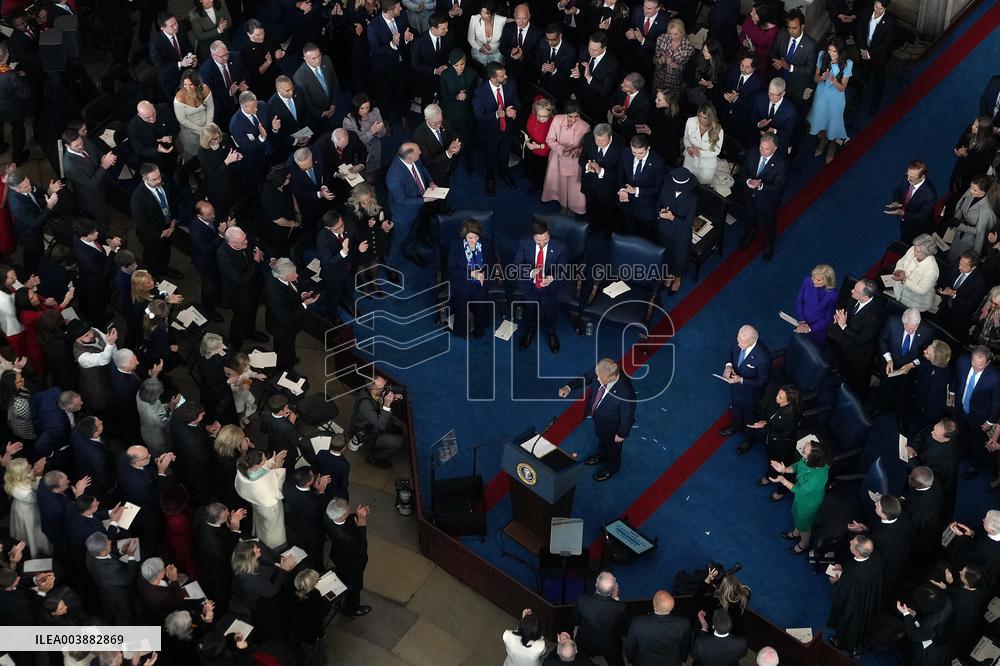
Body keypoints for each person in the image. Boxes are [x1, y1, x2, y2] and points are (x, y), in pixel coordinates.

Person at [558, 359, 636, 482]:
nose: (597, 380)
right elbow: (586, 378)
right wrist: (568, 387)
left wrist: (622, 433)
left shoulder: (626, 392)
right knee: (601, 437)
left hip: (613, 424)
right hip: (599, 416)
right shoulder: (601, 369)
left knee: (614, 446)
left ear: (612, 378)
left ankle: (612, 467)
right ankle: (602, 454)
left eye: (601, 379)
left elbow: (628, 415)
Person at [513, 220, 567, 353]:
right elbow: (517, 264)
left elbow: (563, 268)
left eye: (545, 240)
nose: (542, 244)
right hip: (530, 284)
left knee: (550, 311)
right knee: (531, 310)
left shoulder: (560, 245)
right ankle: (530, 331)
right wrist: (531, 272)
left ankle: (551, 333)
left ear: (549, 234)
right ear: (533, 237)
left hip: (549, 285)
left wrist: (552, 278)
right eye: (538, 241)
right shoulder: (524, 243)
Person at [949, 347, 1000, 482]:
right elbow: (956, 376)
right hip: (961, 408)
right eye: (974, 364)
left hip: (980, 417)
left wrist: (989, 422)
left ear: (988, 363)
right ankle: (962, 453)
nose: (976, 369)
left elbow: (996, 402)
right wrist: (952, 392)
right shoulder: (962, 361)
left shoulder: (995, 377)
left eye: (980, 367)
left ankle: (973, 465)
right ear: (971, 358)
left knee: (977, 442)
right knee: (961, 433)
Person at [828, 278, 884, 400]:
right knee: (847, 371)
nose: (852, 290)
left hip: (860, 354)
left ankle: (859, 400)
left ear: (865, 297)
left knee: (859, 380)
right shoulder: (855, 296)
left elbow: (861, 340)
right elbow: (844, 306)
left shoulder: (875, 316)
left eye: (856, 290)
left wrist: (843, 326)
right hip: (846, 343)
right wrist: (838, 315)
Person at [827, 534, 882, 656]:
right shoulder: (875, 557)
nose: (850, 541)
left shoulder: (854, 575)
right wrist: (843, 568)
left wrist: (835, 582)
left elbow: (843, 595)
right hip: (868, 596)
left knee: (848, 622)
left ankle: (844, 643)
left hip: (854, 602)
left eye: (852, 543)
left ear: (857, 552)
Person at [385, 142, 437, 270]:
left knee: (412, 232)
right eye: (418, 152)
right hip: (403, 215)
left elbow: (422, 168)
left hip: (415, 209)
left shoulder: (412, 160)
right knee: (398, 239)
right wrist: (425, 200)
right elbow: (401, 201)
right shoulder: (394, 177)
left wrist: (430, 182)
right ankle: (390, 264)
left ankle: (409, 251)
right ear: (410, 157)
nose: (420, 153)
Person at [770, 439, 828, 554]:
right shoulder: (809, 460)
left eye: (805, 453)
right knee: (799, 519)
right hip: (801, 499)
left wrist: (782, 479)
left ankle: (803, 544)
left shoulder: (816, 478)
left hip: (808, 503)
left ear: (813, 459)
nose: (802, 452)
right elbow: (798, 465)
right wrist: (784, 470)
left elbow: (799, 490)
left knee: (805, 525)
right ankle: (797, 532)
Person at [738, 133, 787, 261]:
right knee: (749, 217)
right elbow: (743, 172)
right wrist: (748, 181)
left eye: (767, 149)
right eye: (761, 148)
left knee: (769, 225)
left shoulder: (781, 164)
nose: (763, 152)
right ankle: (750, 233)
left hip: (768, 201)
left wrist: (760, 185)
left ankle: (768, 246)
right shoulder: (752, 153)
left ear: (775, 149)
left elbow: (778, 187)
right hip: (750, 196)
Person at [473, 62, 520, 195]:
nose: (505, 76)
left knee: (505, 154)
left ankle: (504, 172)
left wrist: (513, 110)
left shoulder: (510, 83)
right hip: (490, 132)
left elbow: (517, 102)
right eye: (502, 76)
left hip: (507, 129)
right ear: (493, 78)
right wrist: (495, 114)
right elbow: (478, 116)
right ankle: (490, 179)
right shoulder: (480, 92)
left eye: (504, 73)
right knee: (491, 157)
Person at [265, 258, 319, 371]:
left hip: (284, 322)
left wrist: (301, 296)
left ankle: (281, 358)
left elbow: (292, 291)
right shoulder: (275, 292)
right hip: (282, 326)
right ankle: (286, 368)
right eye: (293, 274)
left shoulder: (279, 274)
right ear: (282, 276)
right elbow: (286, 317)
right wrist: (304, 304)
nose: (296, 276)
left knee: (282, 346)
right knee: (287, 347)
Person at [217, 226, 267, 349]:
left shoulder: (242, 238)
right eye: (243, 242)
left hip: (253, 286)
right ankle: (235, 346)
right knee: (239, 320)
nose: (247, 242)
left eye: (245, 239)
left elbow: (258, 242)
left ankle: (249, 332)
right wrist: (256, 261)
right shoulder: (224, 256)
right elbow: (241, 281)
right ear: (232, 243)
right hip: (238, 294)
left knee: (252, 311)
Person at [719, 325, 772, 440]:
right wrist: (728, 366)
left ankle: (750, 439)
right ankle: (736, 426)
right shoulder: (740, 340)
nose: (738, 344)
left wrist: (741, 380)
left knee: (750, 418)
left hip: (750, 394)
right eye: (738, 340)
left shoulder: (763, 358)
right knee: (736, 409)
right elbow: (731, 351)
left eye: (741, 343)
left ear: (753, 341)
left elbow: (763, 381)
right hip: (735, 388)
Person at [62, 127, 116, 237]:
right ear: (67, 146)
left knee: (106, 206)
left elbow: (96, 152)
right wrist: (104, 166)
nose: (81, 146)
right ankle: (104, 236)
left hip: (102, 184)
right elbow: (90, 185)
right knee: (100, 219)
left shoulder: (83, 140)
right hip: (91, 197)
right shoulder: (70, 166)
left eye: (81, 143)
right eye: (76, 146)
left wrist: (103, 158)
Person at [322, 498, 372, 617]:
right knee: (355, 587)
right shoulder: (349, 536)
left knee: (342, 576)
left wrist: (357, 515)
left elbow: (345, 519)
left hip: (338, 557)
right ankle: (351, 609)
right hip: (353, 564)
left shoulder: (327, 519)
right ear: (345, 512)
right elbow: (362, 547)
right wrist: (362, 523)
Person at [130, 164, 182, 279]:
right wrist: (160, 233)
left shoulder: (164, 179)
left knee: (166, 249)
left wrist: (174, 219)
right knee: (152, 255)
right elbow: (141, 224)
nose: (159, 180)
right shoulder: (138, 199)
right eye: (154, 179)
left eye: (158, 176)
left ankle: (165, 269)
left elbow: (172, 199)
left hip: (168, 225)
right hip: (151, 233)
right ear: (144, 179)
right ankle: (153, 275)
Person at [7, 168, 61, 273]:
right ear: (17, 189)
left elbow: (39, 192)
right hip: (30, 232)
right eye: (26, 187)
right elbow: (35, 223)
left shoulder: (26, 182)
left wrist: (49, 191)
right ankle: (34, 272)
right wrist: (49, 207)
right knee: (34, 253)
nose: (30, 187)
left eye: (28, 182)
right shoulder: (17, 205)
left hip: (37, 215)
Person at [447, 220, 495, 339]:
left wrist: (483, 273)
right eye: (470, 238)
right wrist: (471, 274)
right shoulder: (455, 245)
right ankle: (461, 331)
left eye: (476, 237)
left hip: (481, 279)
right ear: (464, 236)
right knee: (461, 305)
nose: (474, 241)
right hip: (461, 278)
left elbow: (491, 262)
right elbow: (451, 268)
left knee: (480, 303)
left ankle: (479, 330)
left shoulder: (486, 243)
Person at [807, 39, 852, 163]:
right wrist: (822, 77)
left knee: (833, 123)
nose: (831, 53)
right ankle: (822, 141)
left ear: (841, 52)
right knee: (820, 119)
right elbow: (816, 79)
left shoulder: (848, 63)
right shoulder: (822, 55)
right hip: (821, 95)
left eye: (835, 51)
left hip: (836, 99)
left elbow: (842, 88)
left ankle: (832, 145)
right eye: (830, 50)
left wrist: (834, 81)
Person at [349, 374, 407, 468]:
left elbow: (394, 390)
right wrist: (387, 404)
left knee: (398, 430)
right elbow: (380, 425)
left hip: (378, 423)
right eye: (384, 387)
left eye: (386, 383)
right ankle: (375, 458)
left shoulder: (378, 392)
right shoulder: (364, 405)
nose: (387, 388)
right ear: (373, 390)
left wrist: (396, 396)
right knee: (401, 442)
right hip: (369, 433)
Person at [542, 100, 590, 215]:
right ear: (565, 114)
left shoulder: (585, 126)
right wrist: (562, 150)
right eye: (570, 117)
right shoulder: (557, 119)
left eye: (576, 116)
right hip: (557, 158)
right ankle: (563, 204)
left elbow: (586, 148)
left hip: (574, 161)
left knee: (573, 187)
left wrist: (574, 152)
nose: (573, 120)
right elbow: (549, 139)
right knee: (559, 183)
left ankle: (573, 207)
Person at [656, 167, 698, 294]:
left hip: (681, 234)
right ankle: (669, 274)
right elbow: (658, 204)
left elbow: (687, 224)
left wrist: (672, 218)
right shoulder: (666, 188)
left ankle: (678, 277)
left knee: (680, 257)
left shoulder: (693, 198)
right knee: (667, 253)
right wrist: (660, 213)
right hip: (665, 229)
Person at [234, 448, 288, 548]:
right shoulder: (259, 483)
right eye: (264, 459)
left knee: (261, 524)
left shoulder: (244, 469)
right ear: (257, 464)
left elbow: (263, 469)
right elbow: (277, 489)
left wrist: (273, 461)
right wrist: (277, 469)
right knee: (273, 528)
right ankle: (275, 545)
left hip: (258, 504)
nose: (266, 460)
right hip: (270, 508)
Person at [623, 590, 692, 666]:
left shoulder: (638, 623)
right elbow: (686, 645)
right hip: (672, 662)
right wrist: (683, 658)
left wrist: (630, 659)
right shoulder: (684, 623)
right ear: (672, 606)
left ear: (653, 603)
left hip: (644, 662)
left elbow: (630, 647)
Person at [573, 572, 627, 666]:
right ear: (614, 589)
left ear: (595, 585)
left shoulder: (582, 600)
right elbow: (622, 629)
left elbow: (575, 617)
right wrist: (616, 599)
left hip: (585, 642)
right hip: (609, 645)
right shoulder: (620, 607)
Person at [579, 123, 626, 232]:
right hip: (590, 184)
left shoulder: (621, 147)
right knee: (591, 209)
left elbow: (620, 173)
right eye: (597, 140)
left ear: (610, 137)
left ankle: (609, 234)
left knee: (609, 213)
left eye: (603, 141)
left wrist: (601, 171)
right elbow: (582, 158)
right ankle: (593, 227)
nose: (599, 144)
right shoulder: (588, 139)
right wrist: (587, 165)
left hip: (608, 188)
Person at [746, 384, 799, 479]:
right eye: (778, 394)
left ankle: (771, 480)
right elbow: (770, 416)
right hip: (771, 439)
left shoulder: (791, 417)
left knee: (776, 465)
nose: (776, 397)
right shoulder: (777, 403)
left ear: (789, 401)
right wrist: (764, 422)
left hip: (781, 446)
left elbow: (782, 435)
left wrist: (764, 427)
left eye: (780, 397)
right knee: (770, 459)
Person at [617, 133, 665, 236]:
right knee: (629, 228)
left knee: (645, 234)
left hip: (646, 207)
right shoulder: (626, 153)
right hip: (627, 203)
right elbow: (620, 174)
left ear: (648, 148)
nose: (637, 156)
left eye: (640, 153)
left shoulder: (658, 162)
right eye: (634, 152)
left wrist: (637, 190)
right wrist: (622, 190)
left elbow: (658, 188)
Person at [439, 50, 479, 174]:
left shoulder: (472, 73)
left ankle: (469, 159)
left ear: (465, 61)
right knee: (452, 138)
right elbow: (443, 96)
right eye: (456, 65)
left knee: (468, 138)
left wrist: (466, 96)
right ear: (451, 64)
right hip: (451, 113)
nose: (460, 68)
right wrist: (456, 97)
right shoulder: (445, 75)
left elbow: (476, 94)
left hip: (467, 113)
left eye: (462, 64)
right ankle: (453, 160)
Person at [855, 0, 896, 115]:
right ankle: (859, 96)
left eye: (880, 9)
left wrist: (870, 54)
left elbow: (887, 45)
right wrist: (863, 49)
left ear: (885, 9)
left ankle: (875, 106)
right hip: (864, 52)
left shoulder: (890, 22)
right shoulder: (866, 11)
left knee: (878, 81)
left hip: (878, 57)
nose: (877, 10)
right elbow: (859, 31)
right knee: (863, 75)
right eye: (876, 6)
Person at [285, 569, 334, 664]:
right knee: (310, 656)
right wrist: (320, 635)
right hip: (309, 635)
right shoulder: (314, 595)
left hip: (293, 629)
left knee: (300, 650)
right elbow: (317, 618)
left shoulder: (291, 590)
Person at [4, 458, 51, 557]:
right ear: (21, 473)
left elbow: (28, 478)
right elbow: (38, 496)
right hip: (28, 512)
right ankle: (36, 551)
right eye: (27, 466)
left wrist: (34, 470)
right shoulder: (21, 491)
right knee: (32, 532)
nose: (30, 465)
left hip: (23, 507)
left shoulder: (15, 478)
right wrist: (38, 475)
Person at [770, 9, 817, 105]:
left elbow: (809, 69)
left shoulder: (810, 45)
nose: (790, 31)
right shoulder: (782, 34)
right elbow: (774, 51)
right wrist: (777, 61)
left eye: (794, 28)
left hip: (796, 86)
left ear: (802, 27)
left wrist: (789, 67)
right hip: (779, 80)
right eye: (789, 27)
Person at [887, 160, 938, 244]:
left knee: (910, 244)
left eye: (912, 177)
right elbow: (899, 190)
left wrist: (903, 213)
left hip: (917, 228)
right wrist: (896, 201)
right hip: (904, 221)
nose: (908, 179)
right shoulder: (908, 177)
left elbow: (922, 216)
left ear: (922, 177)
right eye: (908, 175)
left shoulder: (930, 195)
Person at [947, 176, 997, 261]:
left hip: (969, 241)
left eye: (974, 190)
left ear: (984, 192)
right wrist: (956, 218)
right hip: (958, 233)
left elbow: (979, 232)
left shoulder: (986, 210)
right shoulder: (971, 191)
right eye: (971, 187)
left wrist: (959, 225)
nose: (970, 191)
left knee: (961, 261)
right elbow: (962, 207)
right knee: (951, 256)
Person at [908, 341, 952, 436]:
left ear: (935, 360)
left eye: (927, 352)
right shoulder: (933, 361)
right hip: (920, 401)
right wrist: (911, 364)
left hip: (928, 411)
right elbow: (922, 359)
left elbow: (929, 398)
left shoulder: (939, 377)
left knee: (919, 431)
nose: (924, 351)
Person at [292, 43, 340, 132]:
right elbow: (306, 102)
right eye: (313, 58)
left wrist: (333, 104)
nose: (318, 60)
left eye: (319, 56)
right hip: (316, 117)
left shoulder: (326, 60)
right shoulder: (299, 77)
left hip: (332, 107)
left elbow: (335, 83)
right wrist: (322, 114)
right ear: (305, 59)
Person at [150, 12, 198, 100]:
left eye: (176, 23)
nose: (176, 27)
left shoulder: (181, 30)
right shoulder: (155, 44)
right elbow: (160, 66)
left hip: (186, 72)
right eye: (171, 26)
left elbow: (187, 46)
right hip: (170, 78)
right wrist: (180, 64)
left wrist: (191, 56)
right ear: (162, 28)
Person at [198, 124, 241, 219]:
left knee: (235, 196)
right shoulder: (202, 152)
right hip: (217, 184)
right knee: (223, 205)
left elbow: (233, 149)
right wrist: (227, 161)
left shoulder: (224, 138)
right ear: (207, 140)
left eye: (218, 137)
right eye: (213, 139)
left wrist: (237, 155)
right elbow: (213, 174)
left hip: (231, 176)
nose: (217, 140)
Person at [173, 69, 215, 166]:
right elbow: (182, 120)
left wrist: (208, 126)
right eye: (185, 85)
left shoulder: (204, 89)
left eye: (191, 84)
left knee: (209, 148)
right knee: (193, 153)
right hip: (190, 130)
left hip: (206, 123)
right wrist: (201, 130)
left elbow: (210, 107)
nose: (188, 88)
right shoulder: (179, 97)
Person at [414, 103, 462, 187]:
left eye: (440, 121)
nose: (438, 125)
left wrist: (457, 145)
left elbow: (454, 136)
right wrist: (448, 153)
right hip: (436, 173)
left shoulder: (444, 122)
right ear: (426, 119)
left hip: (449, 165)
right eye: (434, 123)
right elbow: (427, 161)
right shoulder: (419, 136)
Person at [890, 234, 940, 312]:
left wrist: (904, 280)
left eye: (917, 251)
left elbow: (921, 290)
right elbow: (901, 262)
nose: (913, 252)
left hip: (915, 303)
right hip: (899, 292)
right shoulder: (913, 249)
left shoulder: (932, 270)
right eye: (914, 249)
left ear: (926, 253)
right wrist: (899, 270)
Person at [342, 93, 387, 175]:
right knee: (360, 171)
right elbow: (353, 144)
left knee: (375, 166)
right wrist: (371, 132)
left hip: (375, 146)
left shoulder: (375, 111)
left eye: (367, 107)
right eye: (362, 108)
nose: (366, 111)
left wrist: (378, 131)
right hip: (360, 152)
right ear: (356, 108)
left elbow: (383, 133)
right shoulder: (348, 121)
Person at [636, 88, 682, 169]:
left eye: (659, 99)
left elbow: (668, 139)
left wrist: (650, 132)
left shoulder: (674, 118)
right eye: (656, 97)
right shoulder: (656, 107)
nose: (655, 100)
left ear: (668, 102)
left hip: (665, 151)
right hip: (653, 143)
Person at [794, 264, 838, 347]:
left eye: (817, 280)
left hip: (817, 330)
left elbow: (828, 319)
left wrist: (810, 328)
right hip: (801, 323)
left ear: (826, 281)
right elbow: (799, 301)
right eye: (813, 277)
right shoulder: (807, 281)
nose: (813, 281)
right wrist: (801, 321)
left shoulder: (833, 295)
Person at [0, 43, 30, 165]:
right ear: (6, 55)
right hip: (12, 109)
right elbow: (25, 93)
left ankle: (1, 147)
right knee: (18, 129)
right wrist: (22, 77)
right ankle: (18, 156)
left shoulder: (10, 74)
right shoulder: (11, 75)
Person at [681, 103, 723, 186]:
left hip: (706, 166)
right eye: (699, 116)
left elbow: (717, 151)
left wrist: (700, 153)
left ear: (711, 118)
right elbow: (686, 137)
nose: (701, 120)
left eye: (705, 118)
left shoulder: (718, 130)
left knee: (701, 188)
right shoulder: (690, 121)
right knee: (685, 182)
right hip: (689, 160)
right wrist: (689, 147)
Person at [523, 97, 555, 196]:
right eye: (539, 115)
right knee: (531, 167)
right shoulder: (533, 115)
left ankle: (537, 186)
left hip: (543, 154)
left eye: (544, 116)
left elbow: (554, 144)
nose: (541, 118)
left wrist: (539, 146)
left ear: (550, 114)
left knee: (540, 173)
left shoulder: (553, 124)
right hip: (531, 148)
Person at [137, 378, 177, 455]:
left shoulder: (140, 394)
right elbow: (167, 424)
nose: (159, 394)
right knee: (161, 454)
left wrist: (167, 405)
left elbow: (155, 406)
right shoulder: (155, 417)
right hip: (157, 439)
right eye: (158, 393)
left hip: (145, 429)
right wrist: (172, 408)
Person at [652, 19, 693, 92]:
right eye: (670, 33)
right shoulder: (661, 38)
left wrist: (675, 65)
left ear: (682, 32)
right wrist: (661, 60)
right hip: (659, 77)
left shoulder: (689, 46)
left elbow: (688, 69)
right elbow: (654, 59)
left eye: (676, 34)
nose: (672, 37)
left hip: (675, 81)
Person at [738, 2, 780, 72]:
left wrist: (754, 48)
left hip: (759, 63)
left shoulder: (773, 31)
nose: (751, 14)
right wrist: (743, 42)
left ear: (762, 17)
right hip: (744, 55)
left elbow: (769, 53)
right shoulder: (749, 19)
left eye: (754, 13)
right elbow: (742, 35)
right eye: (752, 11)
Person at [468, 1, 507, 71]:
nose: (482, 15)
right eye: (481, 12)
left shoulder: (501, 20)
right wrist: (480, 48)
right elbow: (470, 39)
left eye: (486, 13)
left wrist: (493, 47)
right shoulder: (474, 19)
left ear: (492, 13)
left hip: (496, 55)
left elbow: (512, 21)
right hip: (478, 54)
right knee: (480, 74)